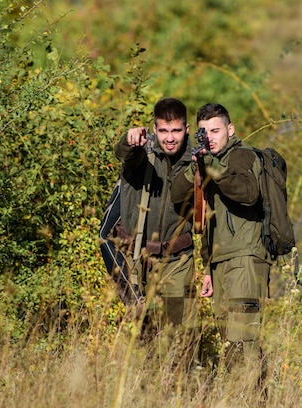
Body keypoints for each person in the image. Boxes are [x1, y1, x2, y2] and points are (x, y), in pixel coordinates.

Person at [171, 103, 271, 393]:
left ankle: (253, 398)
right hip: (221, 263)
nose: (210, 137)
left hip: (245, 259)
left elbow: (248, 193)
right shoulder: (209, 160)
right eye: (203, 132)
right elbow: (179, 195)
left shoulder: (242, 156)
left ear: (230, 129)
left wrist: (213, 166)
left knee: (242, 340)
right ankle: (253, 395)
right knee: (231, 338)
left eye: (215, 130)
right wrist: (196, 166)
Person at [99, 97, 198, 357]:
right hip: (138, 259)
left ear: (186, 130)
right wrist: (128, 139)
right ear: (154, 129)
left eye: (176, 130)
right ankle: (147, 392)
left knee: (179, 338)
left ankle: (177, 390)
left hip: (177, 260)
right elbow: (124, 154)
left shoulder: (196, 159)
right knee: (145, 339)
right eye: (163, 131)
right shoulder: (143, 152)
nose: (169, 138)